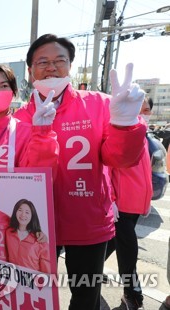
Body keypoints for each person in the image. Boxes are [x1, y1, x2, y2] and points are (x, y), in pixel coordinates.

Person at [14, 34, 146, 310]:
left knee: (86, 298)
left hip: (88, 224)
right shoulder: (20, 118)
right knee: (33, 297)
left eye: (59, 60)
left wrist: (125, 123)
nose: (51, 67)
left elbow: (120, 159)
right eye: (42, 62)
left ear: (70, 66)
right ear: (30, 71)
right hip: (37, 226)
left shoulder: (99, 104)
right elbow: (22, 175)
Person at [104, 96, 154, 309]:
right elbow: (109, 167)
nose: (143, 113)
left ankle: (89, 272)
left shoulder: (142, 131)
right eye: (139, 108)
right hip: (122, 205)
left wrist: (147, 198)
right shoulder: (118, 128)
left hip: (136, 204)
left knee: (114, 243)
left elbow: (145, 171)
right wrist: (112, 200)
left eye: (146, 109)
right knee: (128, 249)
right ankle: (132, 293)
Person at [5, 199, 50, 273]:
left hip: (32, 282)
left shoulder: (40, 239)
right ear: (15, 211)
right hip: (12, 280)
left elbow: (47, 271)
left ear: (32, 216)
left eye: (27, 212)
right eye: (20, 210)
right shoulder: (8, 233)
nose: (23, 215)